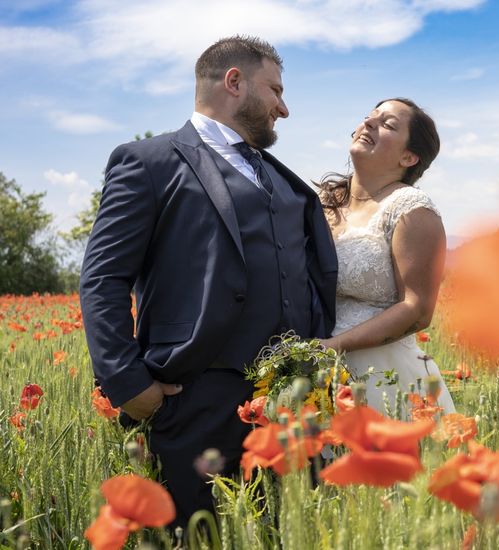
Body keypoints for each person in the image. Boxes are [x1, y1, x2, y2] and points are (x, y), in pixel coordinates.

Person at [79, 36, 337, 525]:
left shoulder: (284, 179)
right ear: (234, 82)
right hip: (194, 398)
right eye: (276, 90)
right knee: (199, 534)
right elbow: (103, 276)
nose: (284, 108)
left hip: (289, 403)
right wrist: (128, 383)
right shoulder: (149, 162)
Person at [316, 98, 455, 416]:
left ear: (409, 156)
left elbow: (417, 309)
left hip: (383, 379)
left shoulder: (412, 209)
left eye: (388, 124)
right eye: (369, 116)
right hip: (320, 375)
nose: (369, 123)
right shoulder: (322, 202)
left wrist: (333, 348)